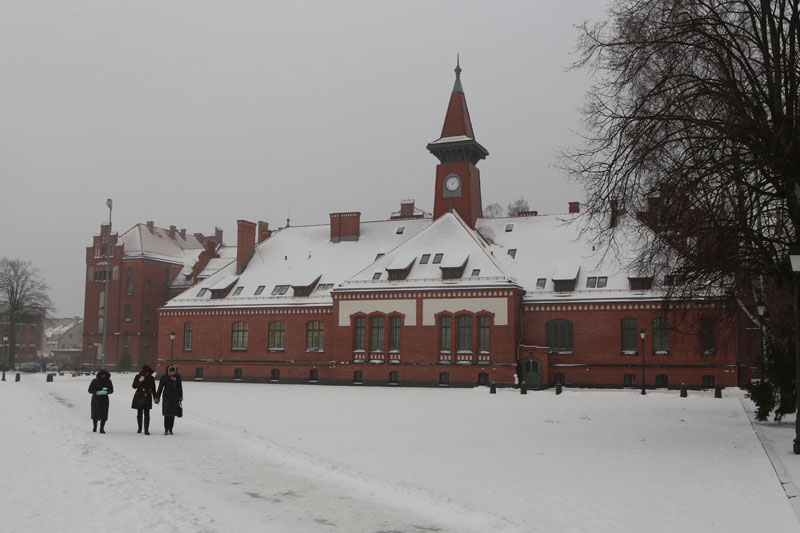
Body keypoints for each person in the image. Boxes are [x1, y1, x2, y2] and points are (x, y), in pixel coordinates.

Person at [155, 365, 183, 435]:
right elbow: (160, 387)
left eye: (173, 371)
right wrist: (157, 397)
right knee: (166, 413)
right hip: (167, 397)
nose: (172, 373)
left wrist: (180, 396)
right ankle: (166, 429)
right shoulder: (164, 377)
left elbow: (179, 387)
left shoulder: (177, 377)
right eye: (171, 371)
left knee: (173, 414)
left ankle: (170, 429)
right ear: (168, 371)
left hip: (175, 397)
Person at [131, 365, 156, 435]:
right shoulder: (138, 376)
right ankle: (139, 427)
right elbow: (134, 386)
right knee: (139, 413)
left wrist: (155, 397)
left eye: (148, 372)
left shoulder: (151, 378)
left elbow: (153, 388)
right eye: (146, 372)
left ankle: (146, 429)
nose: (147, 374)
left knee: (147, 414)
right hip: (139, 396)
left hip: (148, 396)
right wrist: (139, 381)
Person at [88, 369, 114, 433]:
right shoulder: (94, 381)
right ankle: (95, 426)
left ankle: (102, 428)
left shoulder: (108, 381)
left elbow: (111, 390)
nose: (103, 376)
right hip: (96, 399)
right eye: (102, 374)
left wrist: (106, 392)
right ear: (99, 375)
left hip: (104, 399)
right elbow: (89, 390)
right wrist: (96, 392)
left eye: (104, 375)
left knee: (104, 414)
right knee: (95, 413)